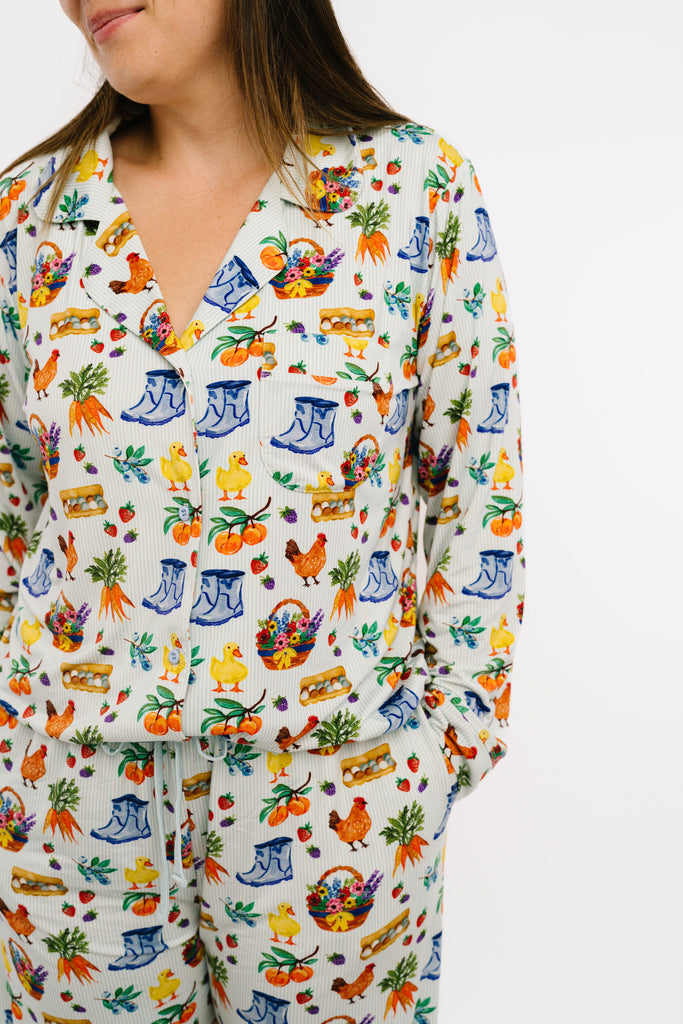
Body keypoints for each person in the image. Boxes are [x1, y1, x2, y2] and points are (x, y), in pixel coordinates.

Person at [0, 1, 525, 1020]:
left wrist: (437, 749)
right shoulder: (29, 217)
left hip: (337, 803)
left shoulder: (411, 192)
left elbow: (475, 489)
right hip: (68, 814)